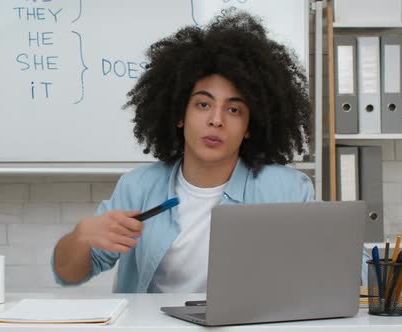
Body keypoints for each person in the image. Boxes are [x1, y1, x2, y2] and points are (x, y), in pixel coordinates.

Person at [52, 9, 335, 293]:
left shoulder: (287, 191)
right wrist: (80, 237)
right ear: (179, 114)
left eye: (234, 109)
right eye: (203, 104)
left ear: (250, 125)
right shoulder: (137, 188)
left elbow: (339, 268)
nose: (216, 119)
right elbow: (68, 274)